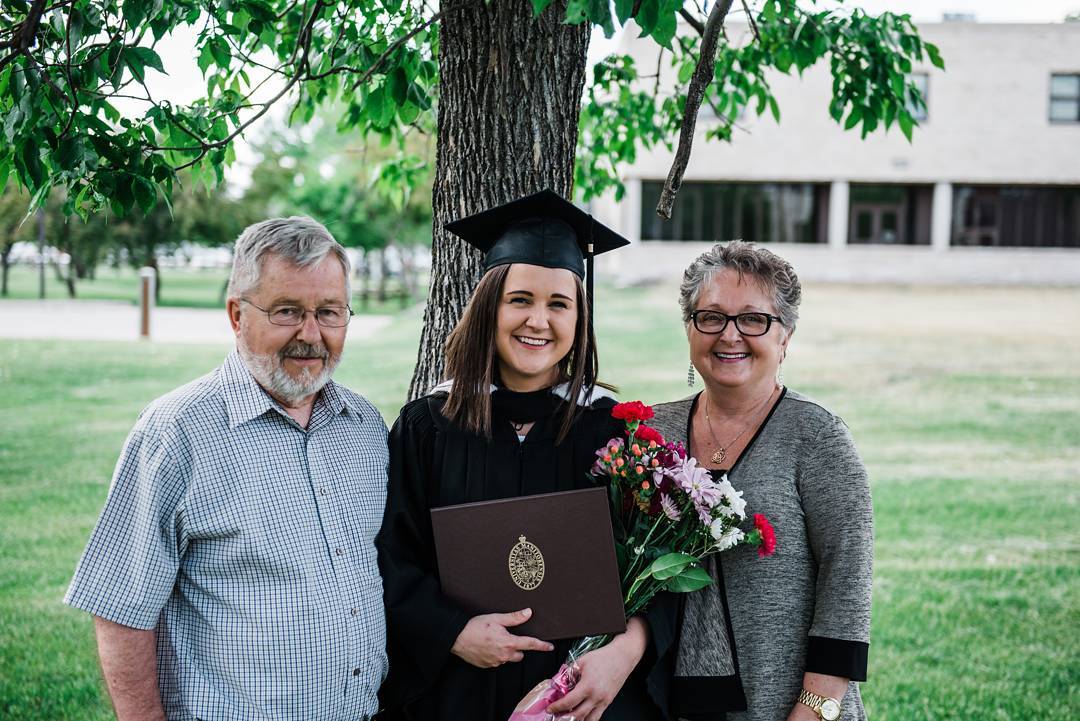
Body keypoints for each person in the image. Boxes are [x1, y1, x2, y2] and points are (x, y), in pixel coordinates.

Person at [64, 217, 389, 721]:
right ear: (237, 315)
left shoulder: (364, 426)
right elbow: (121, 610)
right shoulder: (175, 432)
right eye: (287, 311)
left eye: (329, 312)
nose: (311, 334)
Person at [376, 190, 676, 721]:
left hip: (582, 697)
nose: (538, 320)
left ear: (580, 318)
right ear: (488, 308)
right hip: (457, 693)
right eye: (520, 300)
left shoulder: (613, 433)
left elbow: (660, 570)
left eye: (558, 304)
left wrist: (625, 652)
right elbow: (392, 555)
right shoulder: (428, 426)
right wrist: (452, 631)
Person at [649, 241, 873, 721]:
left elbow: (847, 585)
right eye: (711, 317)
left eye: (753, 319)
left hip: (787, 706)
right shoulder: (651, 433)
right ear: (689, 328)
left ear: (785, 336)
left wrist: (812, 709)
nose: (730, 335)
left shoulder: (817, 437)